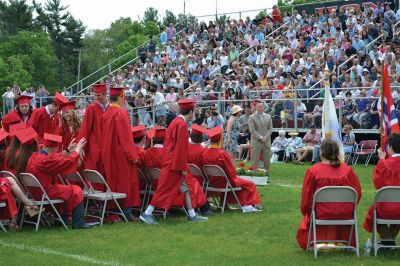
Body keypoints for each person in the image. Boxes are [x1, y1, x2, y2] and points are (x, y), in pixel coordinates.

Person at [140, 99, 208, 224]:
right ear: (191, 112)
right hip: (175, 164)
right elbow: (180, 148)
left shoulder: (175, 122)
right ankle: (147, 213)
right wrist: (181, 167)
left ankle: (192, 214)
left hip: (172, 161)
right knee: (164, 189)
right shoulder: (181, 125)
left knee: (186, 187)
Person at [16, 128, 91, 229]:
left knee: (64, 190)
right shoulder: (44, 161)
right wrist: (77, 150)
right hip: (45, 193)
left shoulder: (34, 157)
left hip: (35, 192)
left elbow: (54, 159)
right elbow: (64, 162)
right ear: (53, 149)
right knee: (76, 190)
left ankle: (61, 220)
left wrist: (68, 150)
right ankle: (78, 224)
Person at [296, 139, 362, 249]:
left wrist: (307, 212)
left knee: (309, 215)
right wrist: (349, 208)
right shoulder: (347, 170)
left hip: (321, 213)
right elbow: (357, 193)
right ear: (337, 152)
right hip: (345, 213)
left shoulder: (313, 171)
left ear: (321, 152)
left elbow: (306, 197)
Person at [203, 127, 263, 213]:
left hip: (212, 182)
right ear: (220, 139)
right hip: (225, 182)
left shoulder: (205, 153)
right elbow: (231, 172)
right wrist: (235, 177)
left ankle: (224, 203)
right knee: (249, 184)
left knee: (230, 181)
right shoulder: (222, 154)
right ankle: (248, 205)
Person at [101, 87, 140, 219]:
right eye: (124, 98)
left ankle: (112, 209)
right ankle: (126, 211)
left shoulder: (106, 113)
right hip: (120, 155)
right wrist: (132, 156)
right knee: (125, 181)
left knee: (112, 180)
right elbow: (126, 138)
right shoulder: (120, 113)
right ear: (120, 97)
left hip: (108, 153)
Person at [0, 130, 41, 230]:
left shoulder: (10, 150)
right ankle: (31, 210)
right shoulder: (26, 154)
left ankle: (28, 210)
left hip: (16, 185)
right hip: (23, 188)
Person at [363, 133, 400, 246]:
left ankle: (387, 240)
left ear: (390, 147)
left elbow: (377, 183)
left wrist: (382, 159)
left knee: (374, 212)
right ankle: (389, 240)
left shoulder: (384, 164)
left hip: (385, 208)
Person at [77, 84, 109, 175]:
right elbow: (85, 128)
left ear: (105, 94)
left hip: (107, 147)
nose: (96, 97)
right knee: (95, 171)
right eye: (95, 95)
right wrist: (81, 146)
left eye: (98, 95)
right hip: (95, 146)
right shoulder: (91, 108)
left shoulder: (111, 108)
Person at [248, 100, 272, 175]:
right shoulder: (251, 117)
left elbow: (270, 129)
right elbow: (252, 130)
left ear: (263, 107)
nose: (260, 108)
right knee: (255, 161)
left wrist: (265, 137)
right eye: (258, 107)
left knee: (267, 161)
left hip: (266, 142)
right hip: (256, 142)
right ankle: (255, 177)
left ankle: (266, 177)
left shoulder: (268, 117)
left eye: (261, 107)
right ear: (255, 108)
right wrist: (261, 138)